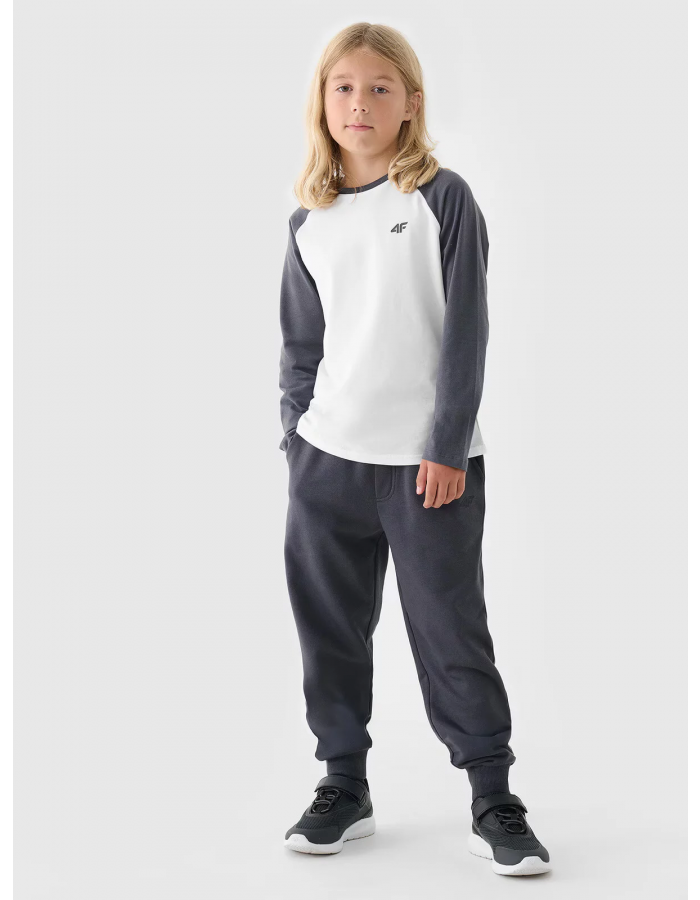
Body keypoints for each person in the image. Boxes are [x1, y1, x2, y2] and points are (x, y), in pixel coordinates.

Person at [277, 22, 551, 877]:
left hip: (430, 469)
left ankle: (493, 796)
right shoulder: (310, 221)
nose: (359, 103)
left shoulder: (442, 198)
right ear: (323, 103)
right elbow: (301, 346)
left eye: (379, 88)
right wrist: (296, 440)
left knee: (450, 631)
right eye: (344, 88)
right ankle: (343, 783)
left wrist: (446, 446)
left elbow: (466, 330)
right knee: (329, 633)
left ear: (411, 104)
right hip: (327, 465)